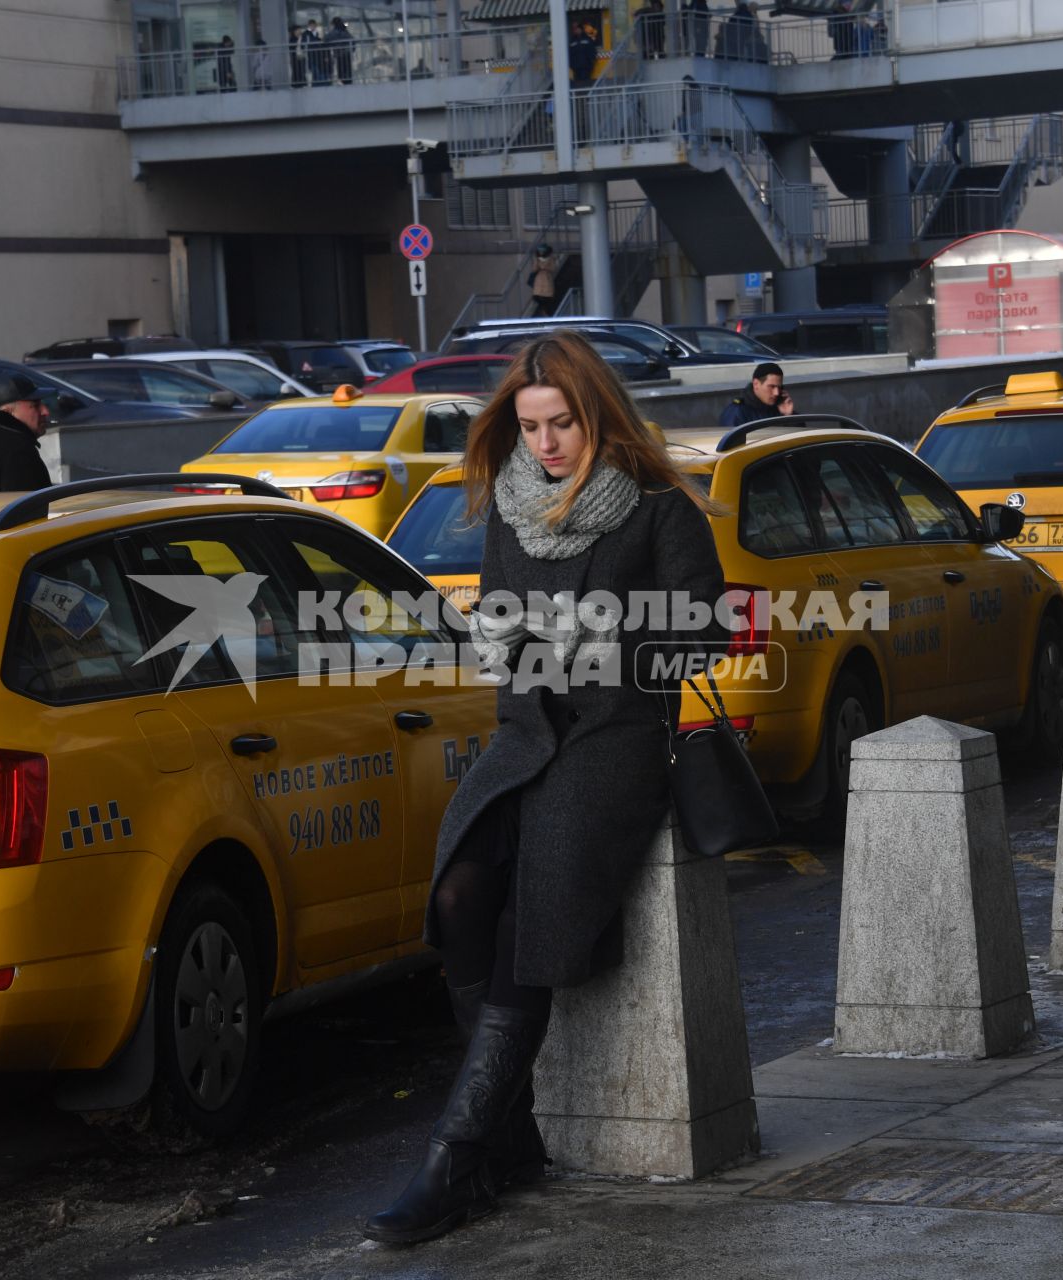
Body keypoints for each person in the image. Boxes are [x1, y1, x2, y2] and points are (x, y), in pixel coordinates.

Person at [361, 329, 726, 1247]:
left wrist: (600, 640)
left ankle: (455, 1159)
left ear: (597, 415)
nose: (546, 443)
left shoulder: (659, 510)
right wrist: (506, 638)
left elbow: (703, 637)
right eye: (530, 427)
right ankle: (513, 1134)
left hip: (613, 748)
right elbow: (498, 625)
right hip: (524, 738)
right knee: (457, 890)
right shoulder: (510, 510)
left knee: (533, 923)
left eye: (562, 422)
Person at [719, 362, 794, 428]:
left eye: (779, 387)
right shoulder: (737, 412)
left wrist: (789, 416)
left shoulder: (780, 406)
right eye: (771, 387)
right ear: (756, 384)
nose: (776, 393)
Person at [529, 243, 559, 316]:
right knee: (538, 297)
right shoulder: (537, 259)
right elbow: (534, 269)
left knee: (547, 299)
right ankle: (544, 312)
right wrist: (537, 261)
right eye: (540, 251)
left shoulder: (551, 258)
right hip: (539, 280)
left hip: (547, 279)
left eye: (542, 251)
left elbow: (553, 268)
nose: (541, 252)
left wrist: (545, 266)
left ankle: (547, 313)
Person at [568, 20, 598, 88]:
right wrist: (571, 65)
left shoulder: (588, 39)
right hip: (576, 69)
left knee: (586, 85)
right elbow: (569, 54)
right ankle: (579, 98)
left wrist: (591, 63)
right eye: (574, 29)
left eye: (577, 29)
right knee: (578, 86)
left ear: (580, 29)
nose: (575, 30)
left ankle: (586, 98)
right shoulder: (572, 41)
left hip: (586, 68)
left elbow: (593, 52)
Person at [327, 17, 354, 85]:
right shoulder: (344, 30)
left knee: (341, 70)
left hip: (339, 53)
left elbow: (327, 38)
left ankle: (343, 80)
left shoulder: (335, 31)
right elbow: (352, 40)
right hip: (346, 53)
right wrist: (351, 50)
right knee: (347, 70)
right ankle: (348, 81)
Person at [303, 19, 330, 85]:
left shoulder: (318, 33)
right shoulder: (306, 34)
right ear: (309, 26)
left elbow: (324, 44)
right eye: (311, 25)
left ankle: (319, 85)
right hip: (312, 56)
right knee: (315, 73)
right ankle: (318, 85)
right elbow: (306, 44)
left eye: (313, 25)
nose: (312, 27)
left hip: (320, 56)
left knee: (319, 73)